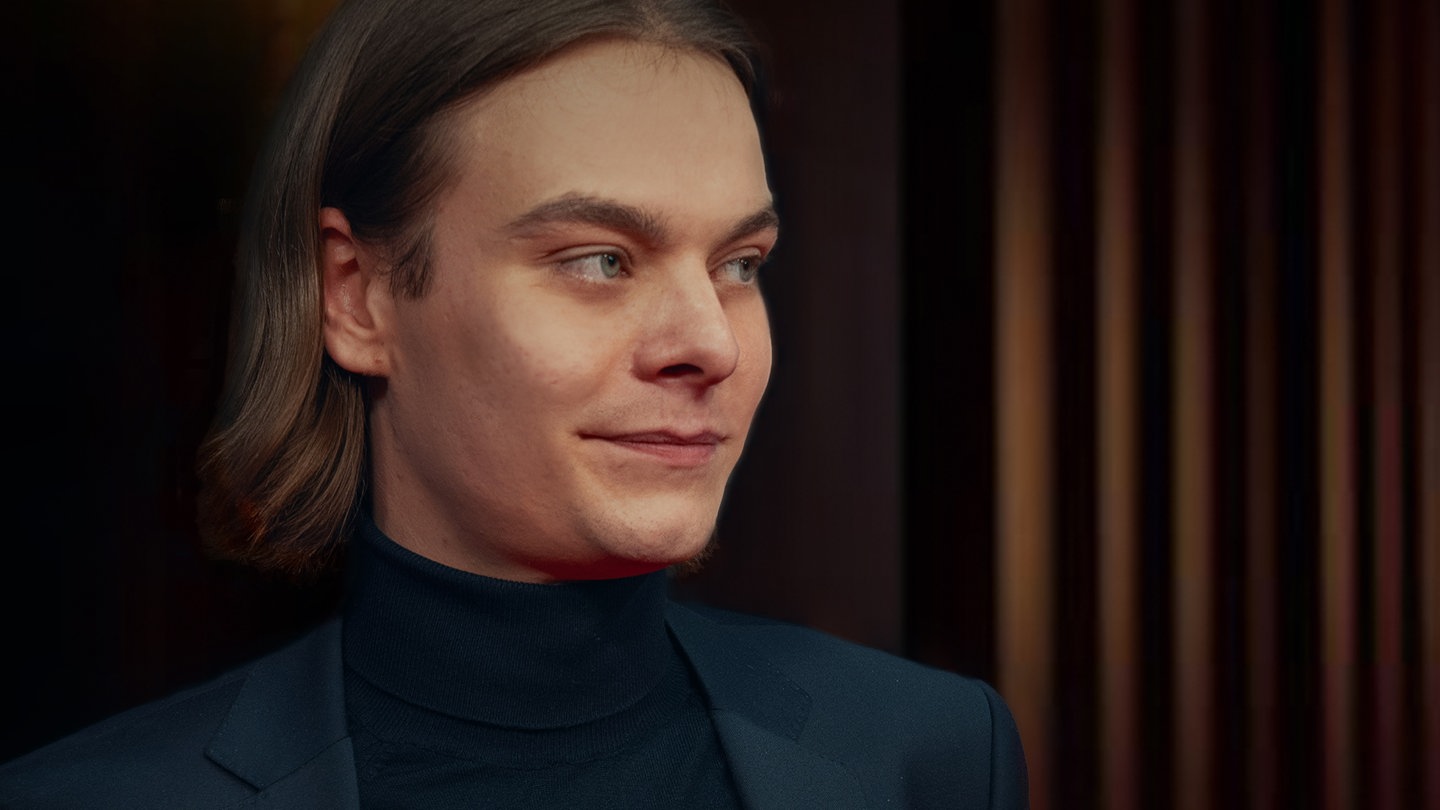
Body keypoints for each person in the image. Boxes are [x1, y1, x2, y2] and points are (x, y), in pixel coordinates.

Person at [0, 0, 1028, 806]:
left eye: (740, 264)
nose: (711, 344)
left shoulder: (927, 757)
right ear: (355, 297)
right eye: (599, 259)